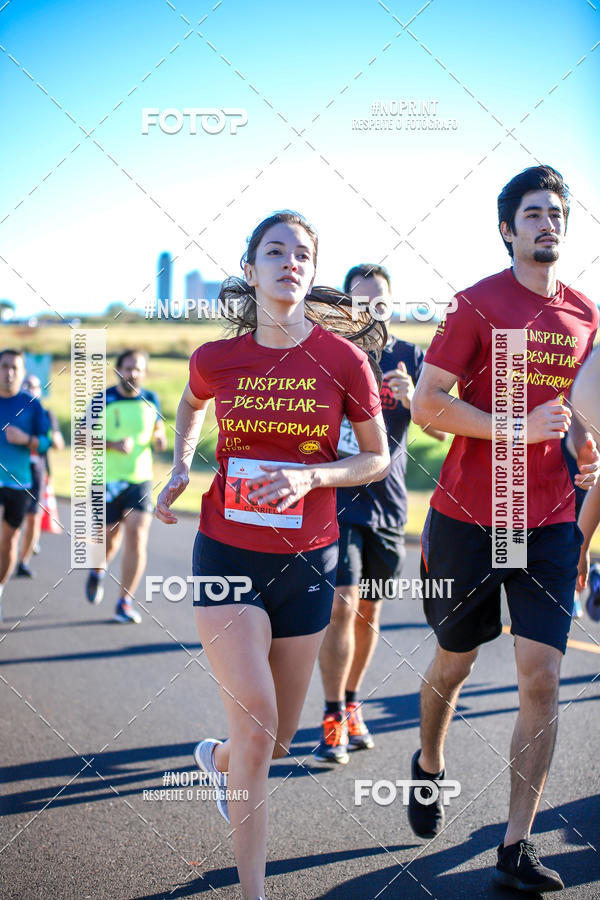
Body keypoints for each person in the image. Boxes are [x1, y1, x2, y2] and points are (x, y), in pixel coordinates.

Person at [156, 211, 390, 900]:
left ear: (312, 273)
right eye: (275, 250)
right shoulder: (217, 357)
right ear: (251, 268)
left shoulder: (343, 360)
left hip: (309, 561)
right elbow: (191, 403)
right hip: (227, 552)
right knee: (258, 717)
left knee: (273, 742)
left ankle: (221, 761)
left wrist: (314, 476)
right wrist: (179, 465)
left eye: (303, 254)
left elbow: (376, 458)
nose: (290, 261)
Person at [410, 165, 599, 893]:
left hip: (549, 519)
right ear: (507, 229)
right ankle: (428, 762)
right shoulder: (475, 305)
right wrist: (515, 428)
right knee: (454, 662)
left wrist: (587, 449)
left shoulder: (587, 314)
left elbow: (584, 413)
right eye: (532, 213)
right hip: (468, 518)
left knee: (541, 680)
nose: (546, 222)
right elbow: (429, 406)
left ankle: (515, 846)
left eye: (556, 212)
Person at [315, 264, 446, 763]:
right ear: (347, 306)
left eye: (380, 301)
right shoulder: (329, 355)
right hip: (339, 500)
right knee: (340, 605)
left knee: (369, 611)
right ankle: (331, 717)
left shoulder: (409, 356)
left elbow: (440, 432)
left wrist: (413, 401)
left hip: (389, 506)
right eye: (361, 301)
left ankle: (351, 703)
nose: (371, 309)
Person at [85, 350, 167, 623]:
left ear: (144, 372)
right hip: (106, 481)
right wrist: (112, 445)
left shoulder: (151, 399)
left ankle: (124, 602)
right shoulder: (102, 399)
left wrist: (160, 439)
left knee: (137, 536)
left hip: (139, 480)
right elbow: (81, 436)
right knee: (109, 542)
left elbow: (159, 432)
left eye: (138, 368)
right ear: (118, 370)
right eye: (128, 368)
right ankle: (98, 570)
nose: (133, 373)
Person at [0, 350, 51, 621]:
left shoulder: (31, 405)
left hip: (18, 484)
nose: (9, 372)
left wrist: (26, 439)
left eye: (15, 368)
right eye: (4, 366)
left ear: (21, 372)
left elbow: (46, 442)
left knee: (9, 541)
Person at [16, 373, 65, 577]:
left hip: (37, 474)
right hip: (12, 472)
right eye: (26, 385)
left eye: (35, 386)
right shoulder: (12, 411)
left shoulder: (47, 414)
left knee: (33, 518)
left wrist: (51, 437)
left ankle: (23, 562)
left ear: (40, 391)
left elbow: (59, 444)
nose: (30, 389)